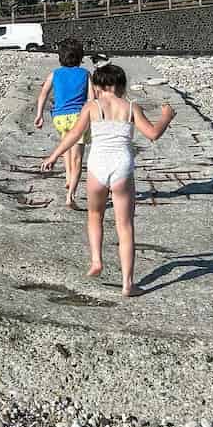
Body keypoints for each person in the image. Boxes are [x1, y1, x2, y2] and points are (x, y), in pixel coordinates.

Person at [41, 63, 176, 297]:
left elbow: (74, 134)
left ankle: (96, 260)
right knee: (125, 226)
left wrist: (53, 156)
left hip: (97, 165)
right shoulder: (131, 107)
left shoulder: (91, 107)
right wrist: (166, 116)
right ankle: (127, 285)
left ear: (96, 86)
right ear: (121, 86)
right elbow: (153, 134)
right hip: (122, 165)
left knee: (95, 216)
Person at [34, 37, 92, 209]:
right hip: (78, 117)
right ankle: (70, 196)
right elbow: (92, 98)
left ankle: (68, 177)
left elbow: (43, 94)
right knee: (78, 158)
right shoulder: (85, 74)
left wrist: (39, 115)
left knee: (66, 146)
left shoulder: (55, 74)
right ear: (80, 57)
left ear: (60, 57)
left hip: (59, 118)